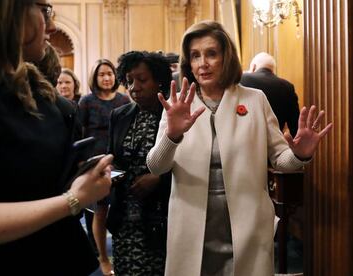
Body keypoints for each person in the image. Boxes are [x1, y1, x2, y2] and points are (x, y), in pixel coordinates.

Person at [146, 20, 332, 276]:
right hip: (192, 225)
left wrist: (301, 154)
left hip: (248, 225)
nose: (203, 63)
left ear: (226, 57)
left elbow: (281, 160)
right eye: (195, 56)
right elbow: (156, 165)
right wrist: (173, 135)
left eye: (212, 53)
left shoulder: (255, 100)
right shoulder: (177, 104)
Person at [0, 1, 113, 274]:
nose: (51, 25)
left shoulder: (29, 86)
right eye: (44, 10)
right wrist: (73, 199)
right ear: (8, 14)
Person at [106, 51, 172, 275]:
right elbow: (112, 157)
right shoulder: (119, 115)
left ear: (159, 81)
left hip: (159, 216)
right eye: (129, 81)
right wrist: (110, 173)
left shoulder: (172, 114)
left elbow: (188, 164)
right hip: (124, 217)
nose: (134, 87)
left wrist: (159, 179)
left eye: (142, 80)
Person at [78, 58, 130, 276]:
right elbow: (79, 133)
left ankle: (122, 252)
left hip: (120, 160)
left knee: (121, 209)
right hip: (95, 161)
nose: (107, 77)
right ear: (95, 77)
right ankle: (102, 257)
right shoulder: (86, 101)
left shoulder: (124, 99)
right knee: (98, 211)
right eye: (102, 74)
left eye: (110, 73)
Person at [240, 52, 300, 137]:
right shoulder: (287, 86)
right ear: (273, 70)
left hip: (246, 140)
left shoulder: (242, 79)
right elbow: (295, 125)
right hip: (275, 144)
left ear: (253, 67)